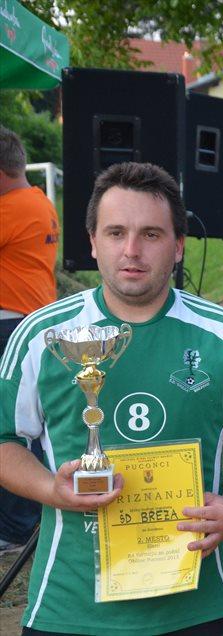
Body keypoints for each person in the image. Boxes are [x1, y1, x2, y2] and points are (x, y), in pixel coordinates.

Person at [0, 162, 223, 635]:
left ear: (178, 246)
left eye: (151, 234)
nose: (131, 250)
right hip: (71, 608)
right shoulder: (43, 336)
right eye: (116, 233)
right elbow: (4, 438)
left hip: (193, 605)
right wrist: (51, 490)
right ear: (92, 242)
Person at [0, 126, 60, 551]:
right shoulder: (38, 200)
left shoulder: (11, 208)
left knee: (12, 431)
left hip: (10, 324)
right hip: (27, 320)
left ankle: (15, 527)